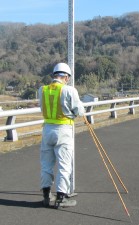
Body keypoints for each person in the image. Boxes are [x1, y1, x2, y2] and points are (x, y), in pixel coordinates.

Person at [38, 62, 85, 208]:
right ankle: (60, 198)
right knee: (64, 165)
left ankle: (46, 195)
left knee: (46, 165)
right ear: (66, 77)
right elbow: (80, 111)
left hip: (47, 130)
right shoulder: (69, 90)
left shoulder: (42, 90)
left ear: (53, 75)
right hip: (63, 130)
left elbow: (42, 107)